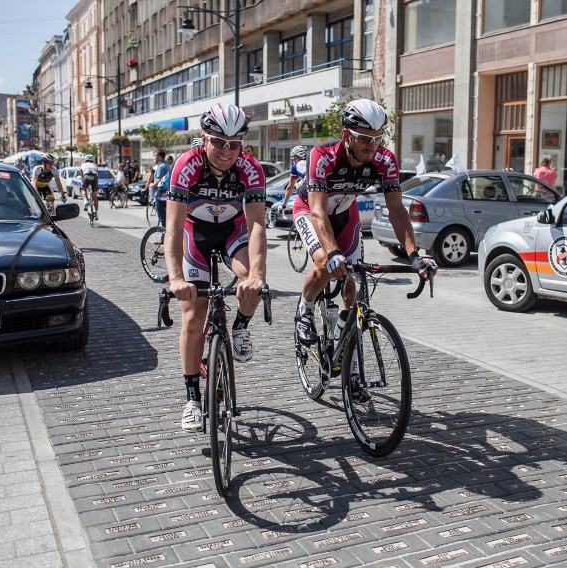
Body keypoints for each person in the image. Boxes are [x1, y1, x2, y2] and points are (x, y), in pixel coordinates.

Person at [292, 99, 437, 400]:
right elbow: (319, 212)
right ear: (346, 135)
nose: (372, 145)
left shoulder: (385, 160)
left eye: (377, 138)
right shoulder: (323, 156)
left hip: (346, 214)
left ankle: (352, 369)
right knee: (324, 264)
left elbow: (397, 210)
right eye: (364, 138)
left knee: (354, 292)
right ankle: (304, 310)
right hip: (310, 210)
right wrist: (332, 253)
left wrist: (414, 255)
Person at [164, 102, 268, 433]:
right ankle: (193, 398)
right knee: (193, 317)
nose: (226, 151)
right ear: (203, 138)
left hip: (233, 233)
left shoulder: (250, 169)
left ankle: (239, 326)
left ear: (242, 144)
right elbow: (172, 229)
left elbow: (257, 227)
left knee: (251, 282)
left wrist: (256, 275)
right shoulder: (186, 166)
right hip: (196, 235)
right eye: (218, 142)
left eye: (233, 144)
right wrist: (176, 278)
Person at [145, 150, 170, 227]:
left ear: (159, 156)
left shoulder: (161, 166)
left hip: (161, 193)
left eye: (155, 156)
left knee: (162, 217)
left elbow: (160, 180)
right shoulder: (166, 165)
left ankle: (163, 235)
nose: (154, 158)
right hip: (167, 193)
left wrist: (152, 185)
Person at [78, 155, 100, 219]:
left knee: (83, 189)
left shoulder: (83, 165)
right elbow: (97, 175)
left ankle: (85, 201)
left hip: (86, 176)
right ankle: (96, 213)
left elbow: (81, 175)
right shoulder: (95, 165)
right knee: (95, 196)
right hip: (94, 177)